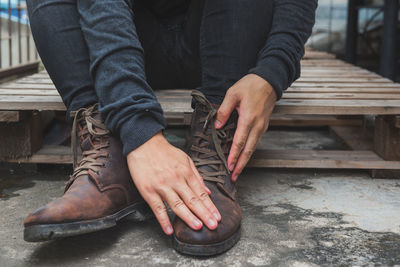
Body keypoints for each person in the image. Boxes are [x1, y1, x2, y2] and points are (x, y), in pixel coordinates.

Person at [23, 0, 317, 256]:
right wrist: (140, 135)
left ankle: (215, 131)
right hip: (127, 44)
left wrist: (272, 73)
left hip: (225, 43)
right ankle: (109, 145)